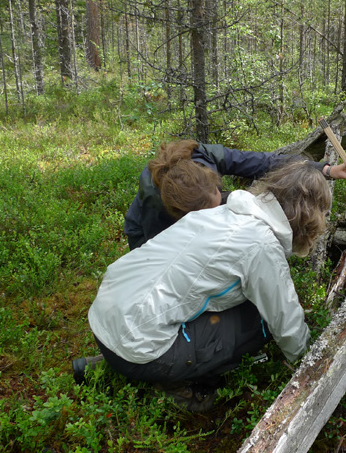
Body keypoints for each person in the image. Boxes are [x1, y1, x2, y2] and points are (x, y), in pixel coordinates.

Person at [85, 161, 331, 411]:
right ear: (308, 218)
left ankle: (116, 363)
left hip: (105, 318)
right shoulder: (261, 246)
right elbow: (284, 318)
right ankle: (179, 385)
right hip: (136, 344)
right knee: (260, 322)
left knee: (243, 300)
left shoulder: (220, 213)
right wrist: (308, 364)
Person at [123, 140, 346, 250]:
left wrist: (325, 170)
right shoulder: (156, 209)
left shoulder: (203, 156)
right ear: (188, 215)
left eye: (218, 195)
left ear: (210, 178)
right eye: (211, 212)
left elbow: (262, 162)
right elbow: (157, 256)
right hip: (149, 234)